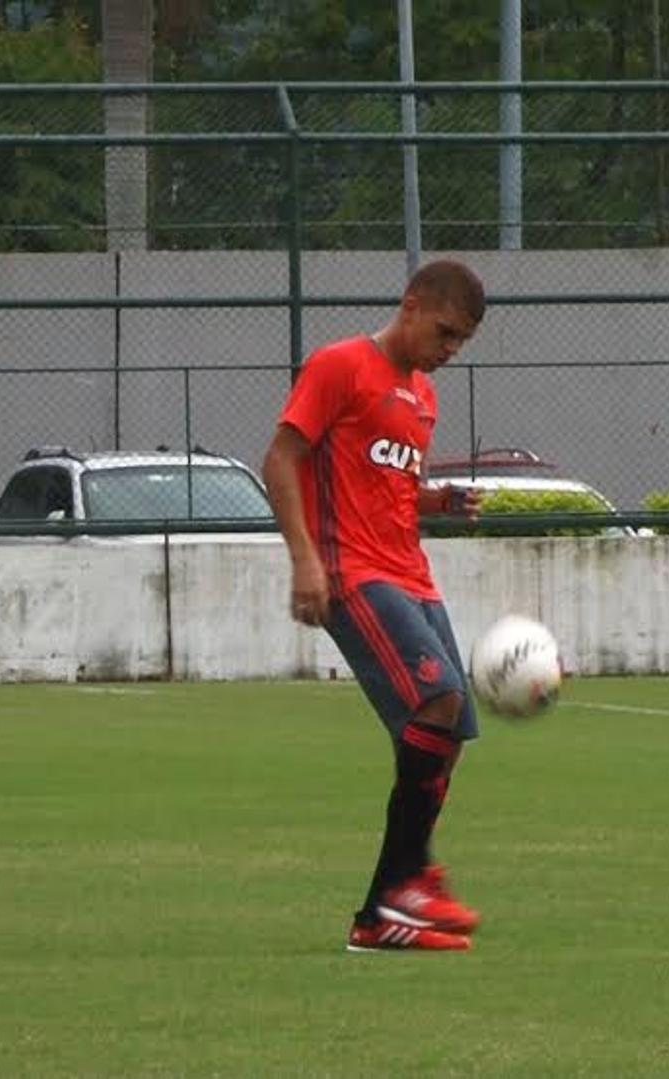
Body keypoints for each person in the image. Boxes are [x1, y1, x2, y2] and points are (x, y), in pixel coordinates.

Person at [262, 259, 488, 953]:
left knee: (447, 733)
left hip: (412, 575)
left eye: (461, 343)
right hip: (352, 573)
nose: (448, 352)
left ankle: (380, 913)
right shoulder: (340, 365)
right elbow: (281, 458)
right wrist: (305, 559)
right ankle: (409, 882)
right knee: (439, 701)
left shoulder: (421, 395)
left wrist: (437, 501)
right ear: (412, 304)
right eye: (444, 333)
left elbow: (381, 480)